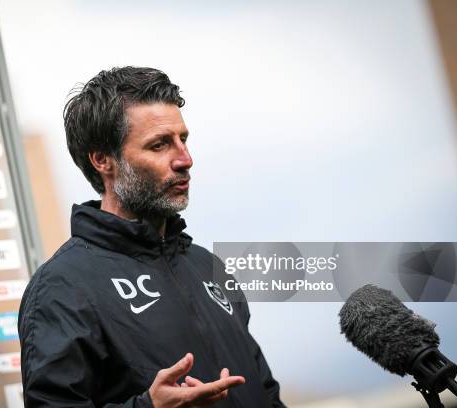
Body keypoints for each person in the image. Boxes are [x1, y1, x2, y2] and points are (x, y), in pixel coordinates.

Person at [18, 67, 285, 407]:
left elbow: (265, 391)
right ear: (103, 160)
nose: (185, 160)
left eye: (183, 139)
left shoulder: (206, 265)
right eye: (159, 145)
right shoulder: (63, 287)